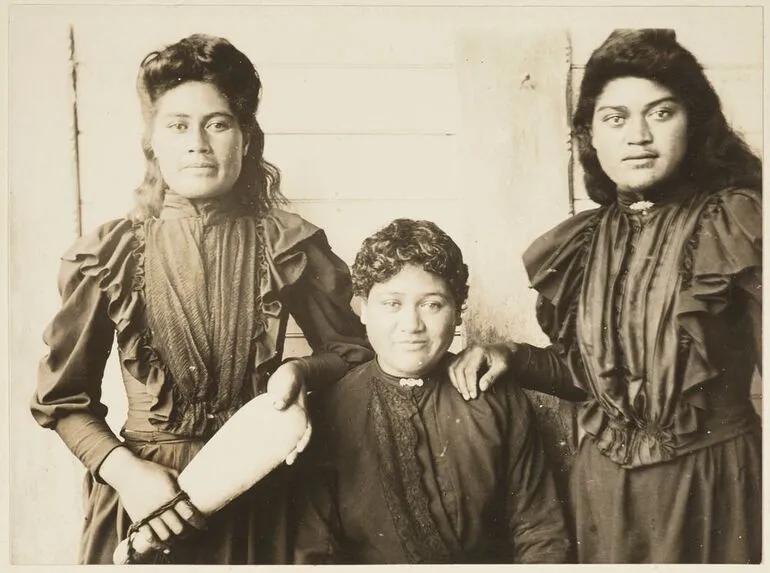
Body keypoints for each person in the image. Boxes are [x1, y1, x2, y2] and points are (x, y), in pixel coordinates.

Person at [30, 33, 372, 565]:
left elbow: (354, 356)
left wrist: (302, 375)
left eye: (218, 123)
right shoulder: (110, 253)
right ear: (153, 142)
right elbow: (63, 400)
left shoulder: (288, 243)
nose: (198, 143)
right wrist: (127, 472)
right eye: (178, 125)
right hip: (149, 499)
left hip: (264, 491)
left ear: (245, 138)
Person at [447, 29, 762, 564]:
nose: (638, 135)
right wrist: (511, 357)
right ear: (590, 134)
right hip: (605, 492)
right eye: (616, 118)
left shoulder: (738, 222)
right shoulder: (582, 242)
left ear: (695, 123)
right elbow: (590, 377)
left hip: (711, 486)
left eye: (661, 113)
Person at [293, 218, 571, 564]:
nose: (411, 325)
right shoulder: (330, 409)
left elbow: (540, 531)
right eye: (392, 304)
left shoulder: (495, 396)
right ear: (362, 309)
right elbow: (316, 552)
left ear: (457, 314)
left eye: (432, 305)